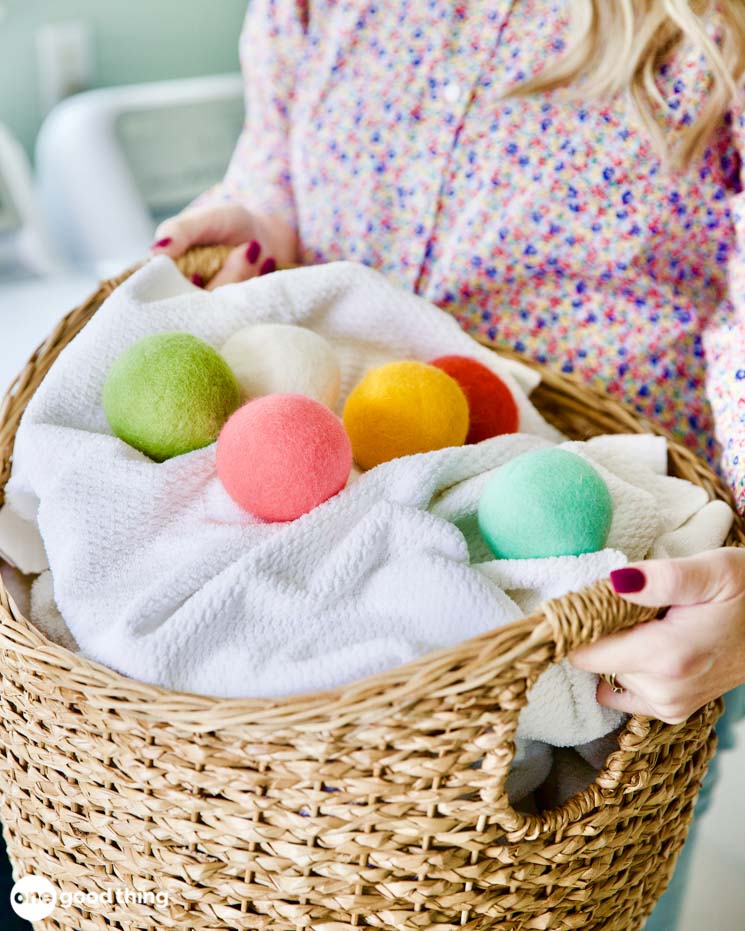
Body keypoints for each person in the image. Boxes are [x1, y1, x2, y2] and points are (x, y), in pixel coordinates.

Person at [152, 2, 745, 926]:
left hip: (594, 602)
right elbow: (275, 163)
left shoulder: (711, 33)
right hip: (333, 545)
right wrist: (262, 221)